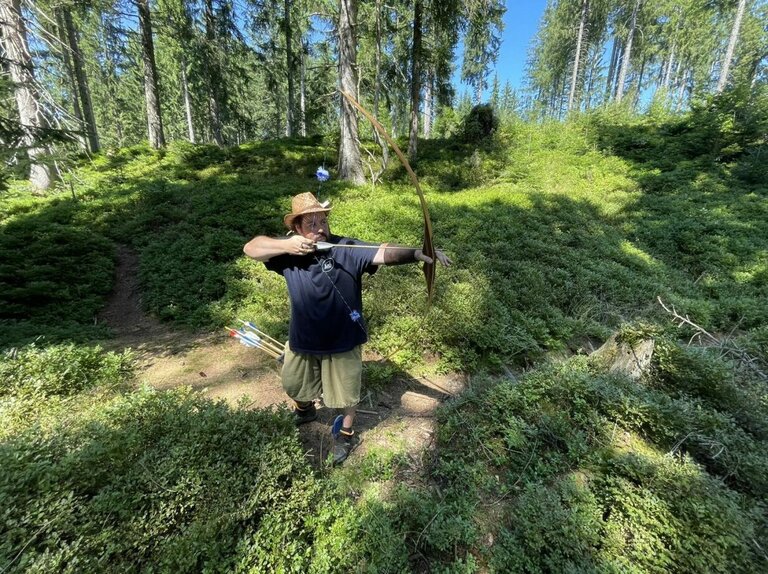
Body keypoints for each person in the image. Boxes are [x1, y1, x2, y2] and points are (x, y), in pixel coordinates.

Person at [243, 192, 451, 465]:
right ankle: (304, 410)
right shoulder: (287, 254)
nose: (319, 228)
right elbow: (251, 248)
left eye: (322, 221)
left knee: (346, 394)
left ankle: (345, 433)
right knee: (294, 385)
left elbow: (380, 252)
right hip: (303, 338)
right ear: (296, 228)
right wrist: (288, 246)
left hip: (343, 339)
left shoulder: (346, 247)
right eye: (310, 223)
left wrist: (416, 253)